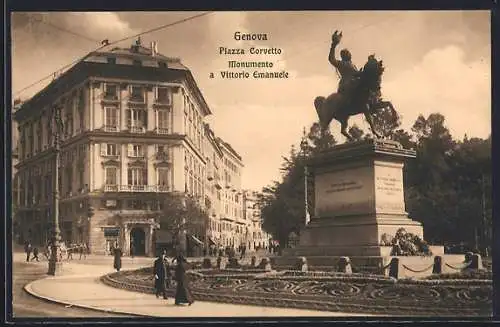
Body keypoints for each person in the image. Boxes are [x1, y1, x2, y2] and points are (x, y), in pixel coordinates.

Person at [328, 30, 360, 98]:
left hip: (355, 84)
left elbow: (356, 74)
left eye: (349, 53)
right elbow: (331, 59)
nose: (350, 54)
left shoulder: (352, 64)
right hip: (346, 87)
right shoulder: (341, 64)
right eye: (347, 53)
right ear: (344, 56)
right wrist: (333, 45)